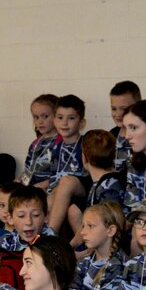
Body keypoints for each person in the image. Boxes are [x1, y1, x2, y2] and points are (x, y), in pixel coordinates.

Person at [46, 94, 90, 234]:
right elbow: (53, 177)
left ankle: (51, 234)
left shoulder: (86, 144)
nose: (64, 123)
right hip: (60, 191)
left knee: (66, 182)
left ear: (81, 123)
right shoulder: (55, 147)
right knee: (47, 199)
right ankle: (39, 239)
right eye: (60, 118)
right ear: (54, 120)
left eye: (71, 118)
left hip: (83, 188)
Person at [20, 93, 60, 188]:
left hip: (51, 189)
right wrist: (21, 181)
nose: (40, 121)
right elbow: (28, 169)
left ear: (57, 116)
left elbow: (61, 175)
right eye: (36, 117)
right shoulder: (35, 144)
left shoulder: (61, 143)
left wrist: (40, 186)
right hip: (33, 187)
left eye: (45, 116)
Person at [109, 81, 142, 173]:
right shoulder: (111, 135)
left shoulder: (144, 137)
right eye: (114, 109)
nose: (118, 114)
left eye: (124, 109)